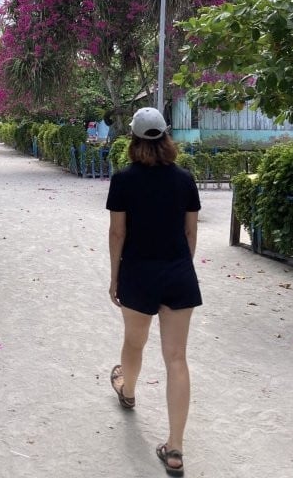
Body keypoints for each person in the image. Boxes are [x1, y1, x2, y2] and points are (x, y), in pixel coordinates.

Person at [106, 107, 201, 478]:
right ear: (166, 136)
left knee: (134, 342)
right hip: (178, 273)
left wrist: (115, 278)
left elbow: (118, 233)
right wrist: (179, 265)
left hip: (137, 273)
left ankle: (127, 391)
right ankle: (175, 449)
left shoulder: (123, 181)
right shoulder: (185, 180)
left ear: (132, 137)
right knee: (176, 358)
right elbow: (191, 233)